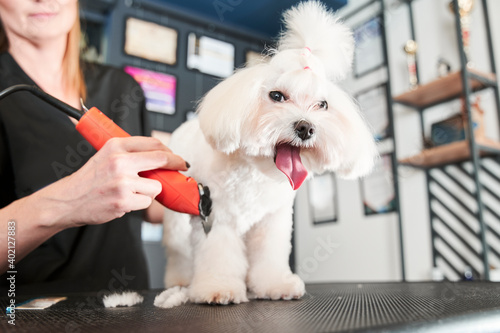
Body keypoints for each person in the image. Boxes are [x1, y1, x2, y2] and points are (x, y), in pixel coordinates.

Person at [0, 0, 186, 295]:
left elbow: (151, 203)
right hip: (33, 312)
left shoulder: (123, 88)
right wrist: (69, 200)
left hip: (130, 304)